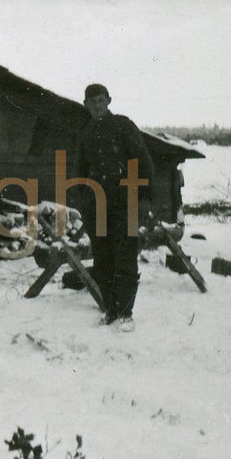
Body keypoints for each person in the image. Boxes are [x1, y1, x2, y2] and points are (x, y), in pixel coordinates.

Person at [74, 83, 154, 333]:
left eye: (101, 100)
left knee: (125, 258)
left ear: (108, 100)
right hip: (98, 207)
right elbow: (80, 173)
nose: (97, 106)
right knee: (103, 260)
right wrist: (84, 201)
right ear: (86, 105)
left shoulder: (122, 125)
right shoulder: (86, 134)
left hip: (124, 204)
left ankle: (126, 313)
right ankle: (111, 309)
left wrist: (140, 199)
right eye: (92, 102)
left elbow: (142, 162)